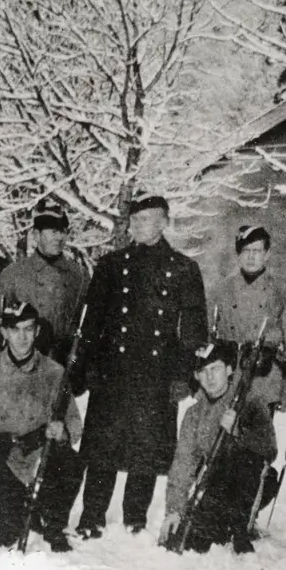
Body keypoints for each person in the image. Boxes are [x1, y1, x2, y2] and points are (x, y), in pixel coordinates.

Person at [72, 193, 208, 539]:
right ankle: (92, 516)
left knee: (145, 449)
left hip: (156, 374)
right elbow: (92, 324)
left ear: (164, 222)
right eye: (135, 220)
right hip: (113, 370)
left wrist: (183, 376)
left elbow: (192, 330)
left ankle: (135, 517)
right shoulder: (111, 266)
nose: (138, 225)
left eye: (147, 219)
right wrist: (85, 366)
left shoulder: (183, 269)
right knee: (103, 448)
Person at [0, 302, 83, 552]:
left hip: (38, 456)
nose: (23, 337)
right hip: (2, 457)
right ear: (4, 332)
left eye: (28, 329)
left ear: (37, 331)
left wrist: (63, 432)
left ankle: (53, 521)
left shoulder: (54, 372)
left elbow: (74, 422)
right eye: (15, 330)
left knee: (71, 461)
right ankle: (21, 508)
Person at [160, 340, 278, 554]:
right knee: (195, 542)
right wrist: (174, 510)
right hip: (216, 485)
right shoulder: (194, 414)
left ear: (230, 369)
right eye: (203, 372)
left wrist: (237, 432)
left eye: (216, 369)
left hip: (249, 481)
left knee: (246, 463)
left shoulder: (249, 400)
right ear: (196, 377)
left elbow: (269, 448)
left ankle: (242, 526)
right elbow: (183, 463)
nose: (210, 377)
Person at [207, 224, 286, 413]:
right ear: (238, 254)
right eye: (245, 251)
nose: (251, 257)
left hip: (265, 381)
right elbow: (207, 336)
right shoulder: (221, 291)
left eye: (257, 251)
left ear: (267, 254)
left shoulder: (282, 292)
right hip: (227, 381)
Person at [0, 197, 89, 363]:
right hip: (23, 365)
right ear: (36, 235)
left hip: (63, 365)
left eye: (63, 231)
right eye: (53, 232)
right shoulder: (14, 274)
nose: (59, 238)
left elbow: (88, 324)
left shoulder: (79, 275)